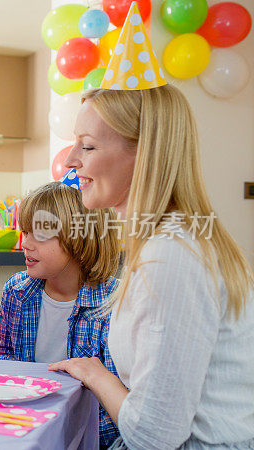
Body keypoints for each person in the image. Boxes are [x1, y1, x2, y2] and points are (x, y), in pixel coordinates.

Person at [49, 79, 254, 449]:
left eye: (88, 146)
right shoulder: (165, 242)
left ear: (145, 153)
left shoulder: (171, 256)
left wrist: (98, 376)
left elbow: (153, 436)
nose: (69, 160)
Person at [0, 181, 120, 446]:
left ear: (78, 238)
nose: (25, 244)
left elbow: (114, 403)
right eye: (25, 232)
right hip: (24, 427)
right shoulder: (17, 292)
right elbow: (6, 358)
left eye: (39, 234)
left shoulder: (114, 303)